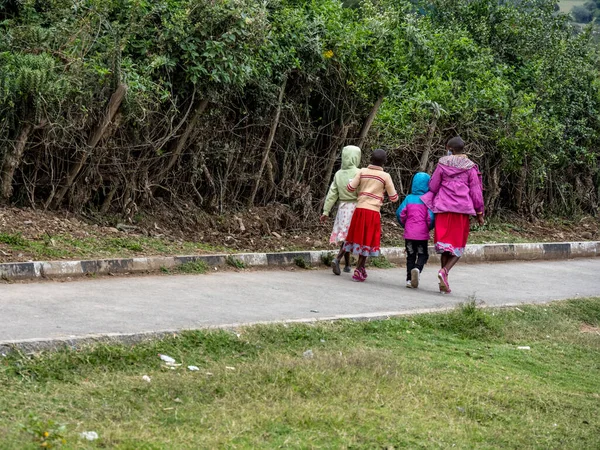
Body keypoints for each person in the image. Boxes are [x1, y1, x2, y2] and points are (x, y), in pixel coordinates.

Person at [421, 136, 484, 294]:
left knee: (445, 247)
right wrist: (480, 212)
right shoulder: (470, 167)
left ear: (450, 148)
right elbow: (476, 191)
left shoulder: (442, 164)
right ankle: (444, 272)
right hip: (461, 212)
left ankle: (443, 281)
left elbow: (434, 186)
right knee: (458, 248)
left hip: (443, 209)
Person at [343, 149, 399, 282]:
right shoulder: (385, 176)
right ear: (385, 162)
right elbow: (394, 198)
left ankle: (361, 268)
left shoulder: (362, 172)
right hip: (373, 211)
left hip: (360, 209)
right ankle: (359, 268)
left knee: (359, 237)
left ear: (370, 159)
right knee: (367, 239)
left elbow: (350, 188)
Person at [320, 145, 362, 275]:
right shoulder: (359, 173)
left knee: (345, 236)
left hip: (343, 208)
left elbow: (332, 193)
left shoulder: (338, 174)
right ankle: (338, 259)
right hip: (356, 207)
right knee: (350, 236)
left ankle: (348, 264)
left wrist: (326, 211)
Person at [396, 172, 435, 289]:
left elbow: (400, 213)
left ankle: (409, 279)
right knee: (423, 255)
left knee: (410, 255)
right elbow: (431, 218)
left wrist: (405, 225)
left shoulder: (408, 199)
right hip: (422, 235)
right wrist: (429, 227)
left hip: (409, 234)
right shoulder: (427, 200)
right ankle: (417, 268)